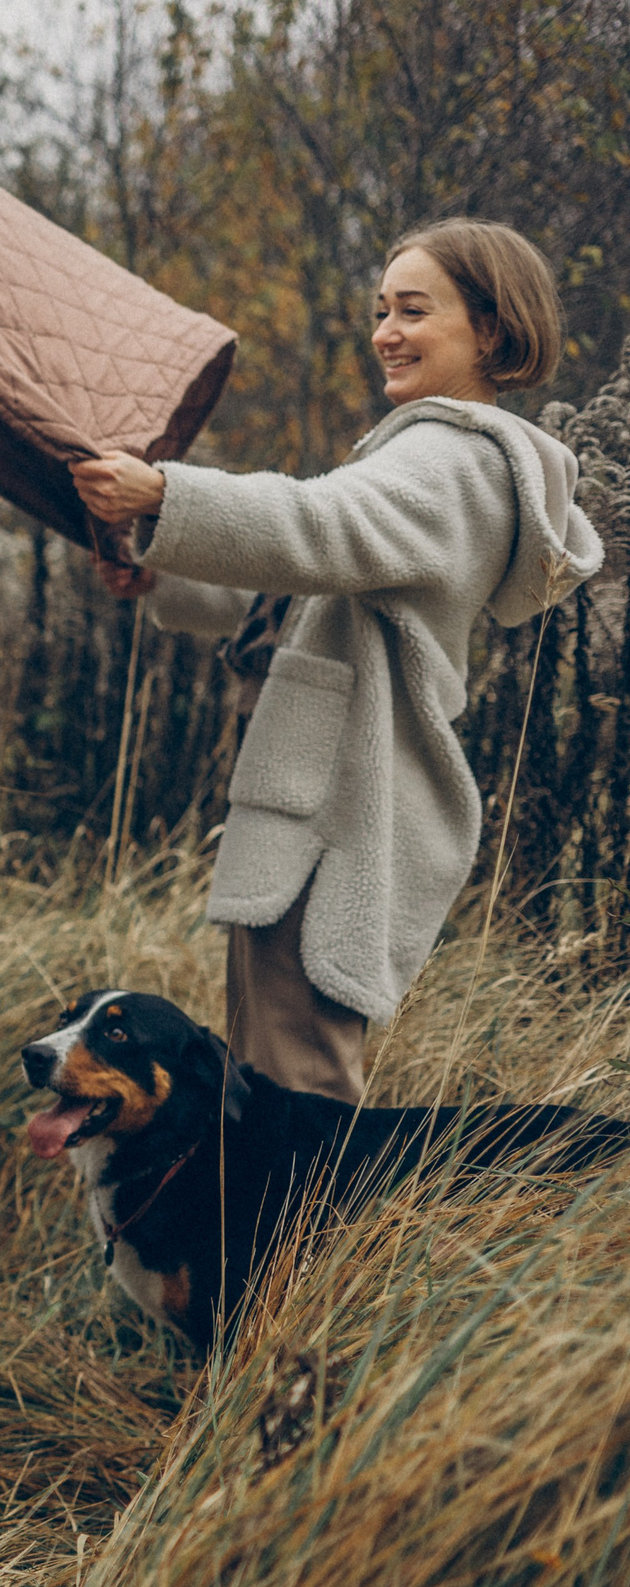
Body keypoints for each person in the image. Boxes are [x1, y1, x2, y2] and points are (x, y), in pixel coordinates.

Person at [73, 219, 603, 1104]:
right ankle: (276, 1244)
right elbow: (302, 590)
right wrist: (157, 571)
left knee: (297, 1090)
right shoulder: (423, 450)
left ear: (492, 330)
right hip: (314, 806)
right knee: (270, 1077)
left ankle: (316, 1248)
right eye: (380, 310)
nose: (384, 332)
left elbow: (316, 529)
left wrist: (166, 493)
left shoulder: (455, 457)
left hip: (334, 814)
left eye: (413, 310)